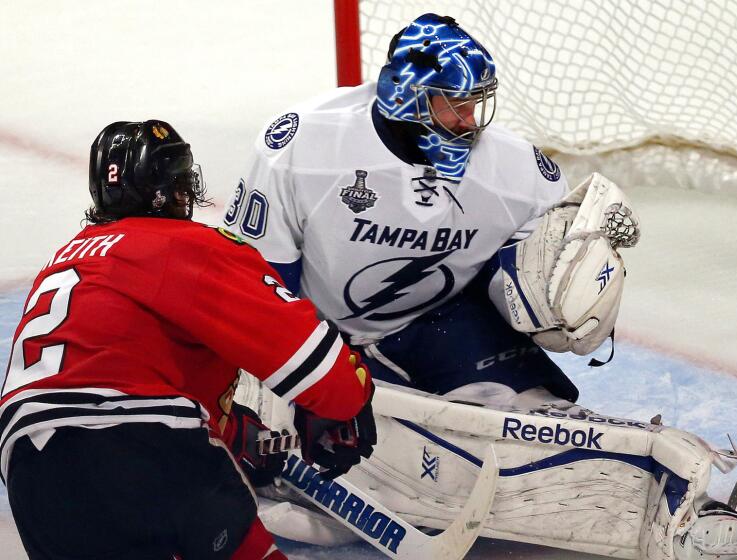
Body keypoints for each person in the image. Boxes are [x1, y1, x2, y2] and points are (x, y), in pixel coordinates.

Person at [0, 120, 377, 560]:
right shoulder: (179, 244)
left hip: (30, 476)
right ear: (164, 189)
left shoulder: (64, 261)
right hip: (143, 447)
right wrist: (343, 407)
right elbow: (320, 368)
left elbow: (111, 381)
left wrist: (236, 433)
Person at [224, 13, 638, 407]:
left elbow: (532, 270)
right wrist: (293, 380)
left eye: (475, 102)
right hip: (321, 338)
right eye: (455, 103)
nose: (469, 119)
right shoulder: (304, 146)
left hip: (441, 322)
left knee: (526, 410)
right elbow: (260, 283)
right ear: (407, 97)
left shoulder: (520, 172)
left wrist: (583, 264)